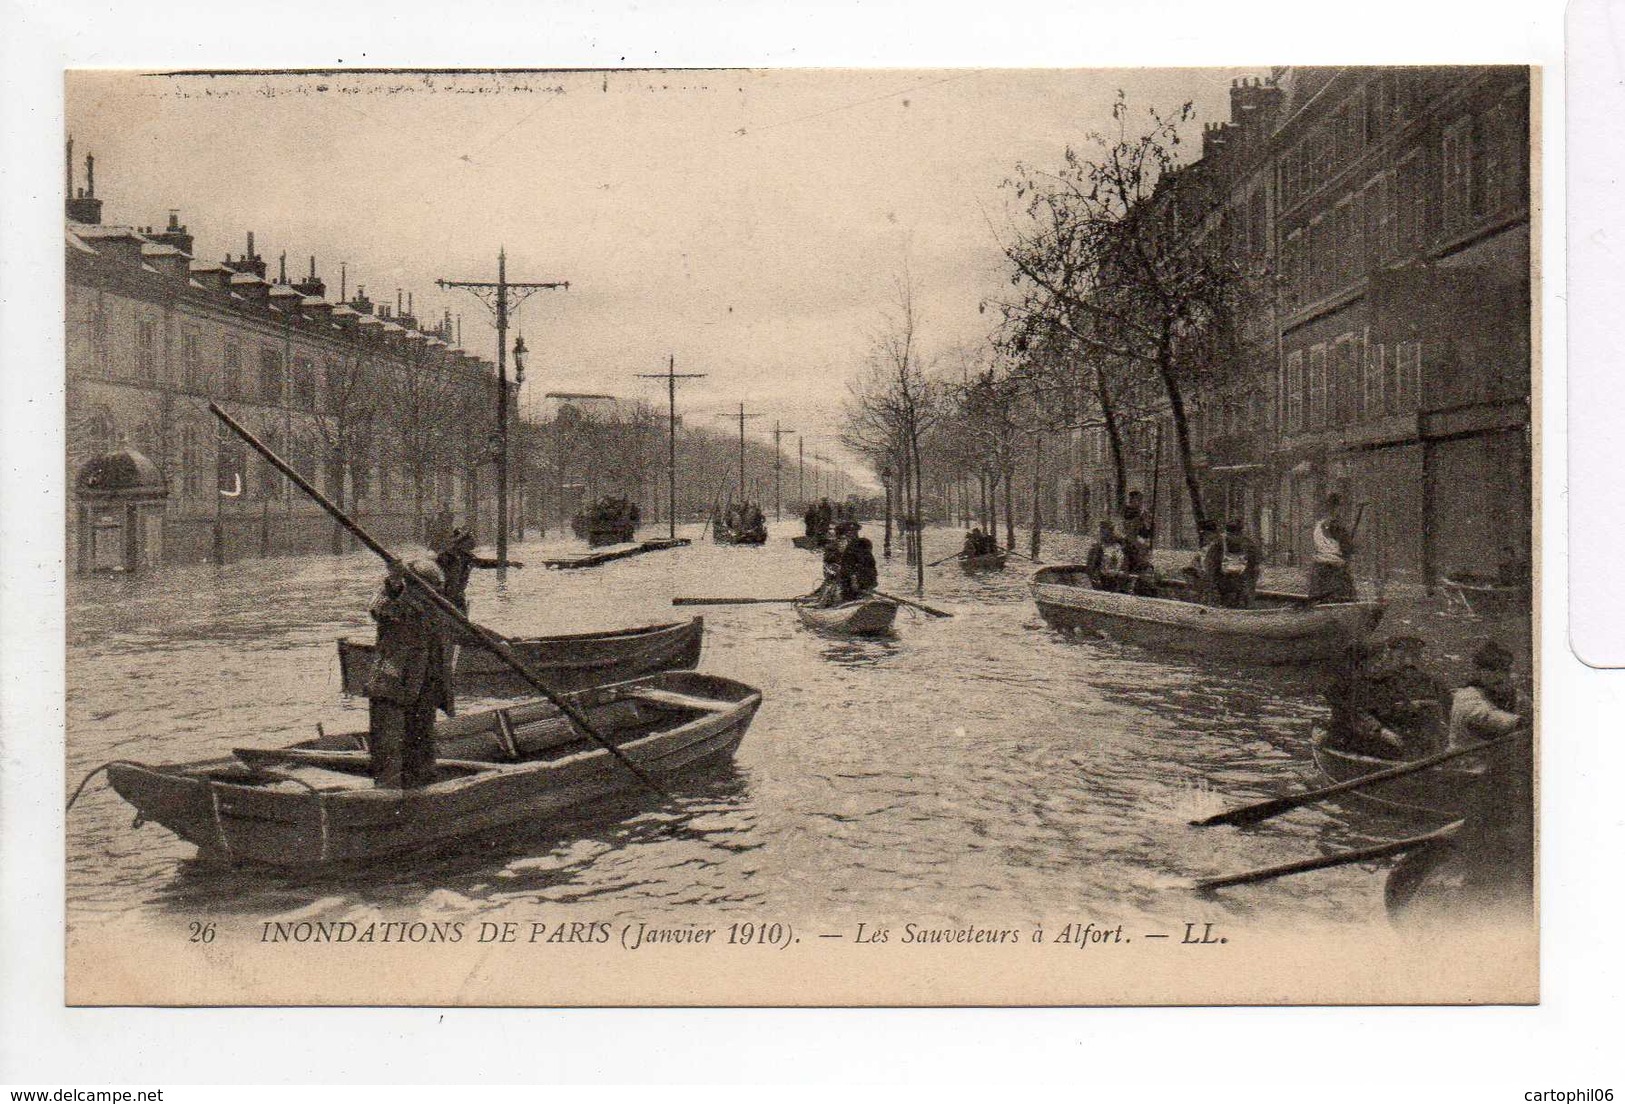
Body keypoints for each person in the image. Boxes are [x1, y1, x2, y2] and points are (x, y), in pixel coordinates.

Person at [365, 558, 456, 790]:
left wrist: (499, 641)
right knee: (389, 753)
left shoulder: (437, 610)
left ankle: (424, 796)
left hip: (427, 688)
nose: (435, 594)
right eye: (431, 589)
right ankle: (387, 803)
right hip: (393, 687)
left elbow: (460, 630)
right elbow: (379, 608)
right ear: (414, 587)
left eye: (438, 589)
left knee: (422, 751)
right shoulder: (396, 604)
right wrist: (394, 582)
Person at [434, 527, 523, 616]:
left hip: (458, 596)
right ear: (462, 542)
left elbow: (484, 563)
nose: (473, 543)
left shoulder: (467, 557)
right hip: (445, 595)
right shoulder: (445, 556)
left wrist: (508, 563)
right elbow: (437, 574)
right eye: (469, 540)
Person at [1308, 493, 1357, 603]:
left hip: (1319, 567)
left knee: (1318, 600)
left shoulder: (1318, 525)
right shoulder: (1336, 525)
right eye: (1340, 507)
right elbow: (1347, 548)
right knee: (1344, 601)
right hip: (1336, 568)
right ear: (1337, 507)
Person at [1204, 519, 1262, 608]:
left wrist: (1211, 579)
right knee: (1242, 596)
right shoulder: (1248, 541)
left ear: (1226, 530)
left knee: (1225, 599)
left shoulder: (1219, 541)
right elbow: (1257, 560)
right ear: (1241, 530)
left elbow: (1210, 562)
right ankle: (1246, 607)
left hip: (1223, 577)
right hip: (1243, 577)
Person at [838, 520, 879, 600]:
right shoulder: (861, 544)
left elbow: (851, 566)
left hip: (857, 582)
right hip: (863, 580)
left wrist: (854, 579)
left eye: (852, 532)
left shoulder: (855, 547)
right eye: (848, 532)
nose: (849, 534)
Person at [1084, 519, 1128, 591]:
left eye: (1110, 531)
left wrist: (1123, 575)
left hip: (1119, 581)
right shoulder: (1097, 548)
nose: (1107, 534)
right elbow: (1091, 568)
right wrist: (1096, 581)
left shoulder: (1120, 547)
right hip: (1103, 581)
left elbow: (1125, 565)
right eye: (1103, 531)